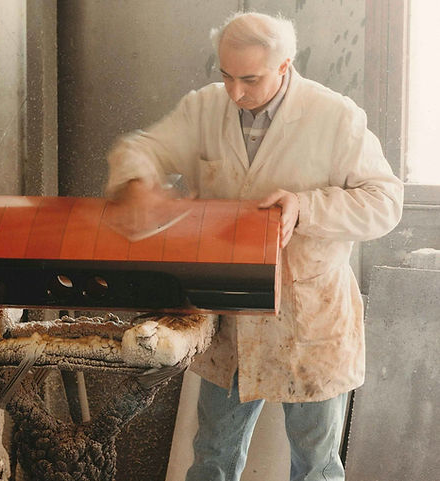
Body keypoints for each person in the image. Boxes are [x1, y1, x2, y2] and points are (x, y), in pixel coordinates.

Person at [103, 12, 403, 481]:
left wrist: (305, 207)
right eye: (226, 75)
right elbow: (143, 149)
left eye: (250, 79)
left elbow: (385, 202)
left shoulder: (335, 116)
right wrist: (138, 182)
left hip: (309, 313)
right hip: (230, 311)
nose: (235, 93)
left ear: (285, 65)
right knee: (212, 457)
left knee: (315, 464)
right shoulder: (206, 108)